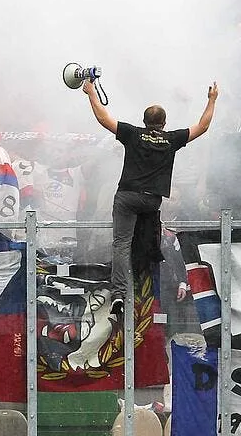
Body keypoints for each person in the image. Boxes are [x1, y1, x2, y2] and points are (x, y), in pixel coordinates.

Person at [82, 78, 217, 318]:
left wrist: (91, 92)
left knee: (122, 245)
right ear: (164, 123)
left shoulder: (133, 134)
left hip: (126, 197)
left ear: (144, 122)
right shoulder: (170, 139)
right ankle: (145, 290)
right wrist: (212, 100)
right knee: (148, 243)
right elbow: (203, 126)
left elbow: (104, 119)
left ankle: (119, 295)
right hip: (152, 201)